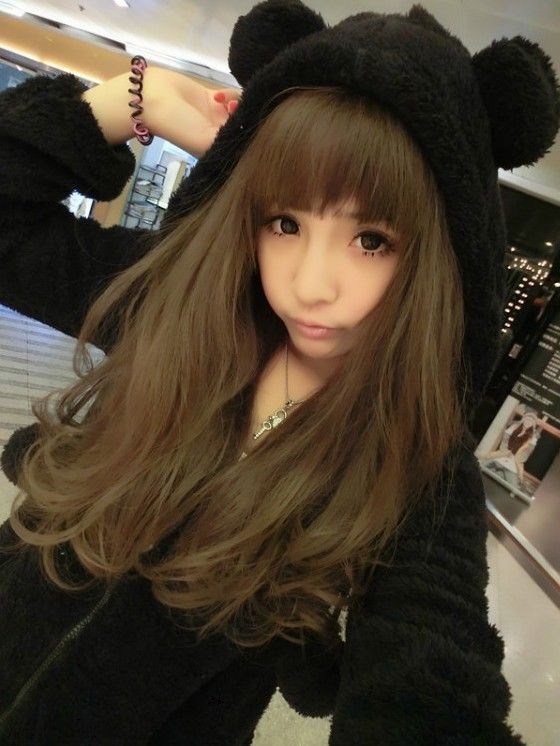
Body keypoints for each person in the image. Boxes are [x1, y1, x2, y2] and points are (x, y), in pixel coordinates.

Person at [0, 1, 558, 743]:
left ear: (436, 256)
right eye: (286, 222)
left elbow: (425, 684)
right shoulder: (178, 306)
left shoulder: (417, 457)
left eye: (371, 238)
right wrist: (138, 97)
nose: (310, 285)